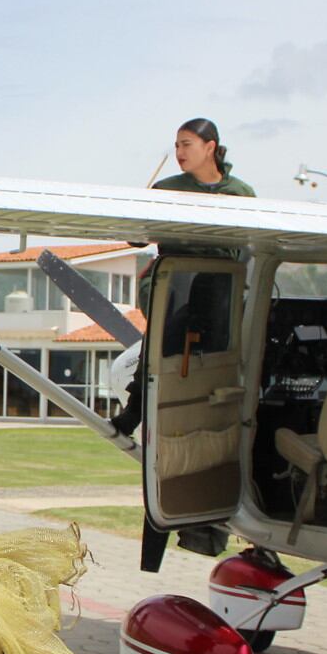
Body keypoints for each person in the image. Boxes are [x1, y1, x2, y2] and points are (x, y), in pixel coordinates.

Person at [111, 117, 255, 437]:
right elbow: (138, 236)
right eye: (176, 145)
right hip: (175, 284)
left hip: (219, 287)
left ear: (210, 148)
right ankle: (136, 409)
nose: (179, 151)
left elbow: (250, 246)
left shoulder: (241, 194)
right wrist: (136, 217)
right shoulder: (166, 189)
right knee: (160, 341)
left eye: (186, 144)